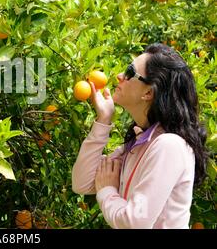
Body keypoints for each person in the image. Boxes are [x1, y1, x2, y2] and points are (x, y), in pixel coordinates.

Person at [72, 43, 208, 229]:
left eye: (129, 72)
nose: (120, 76)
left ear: (149, 92)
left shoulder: (169, 146)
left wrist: (107, 191)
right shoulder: (138, 144)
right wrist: (103, 120)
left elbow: (135, 222)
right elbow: (81, 182)